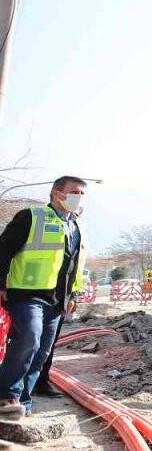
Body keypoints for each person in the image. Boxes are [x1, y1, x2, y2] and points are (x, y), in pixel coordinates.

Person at [0, 176, 88, 419]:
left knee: (41, 353)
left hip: (58, 301)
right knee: (29, 339)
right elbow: (3, 249)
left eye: (82, 194)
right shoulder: (31, 217)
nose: (79, 198)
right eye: (75, 192)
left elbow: (75, 266)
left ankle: (22, 403)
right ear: (56, 193)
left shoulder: (75, 227)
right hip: (27, 295)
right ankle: (6, 395)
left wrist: (74, 295)